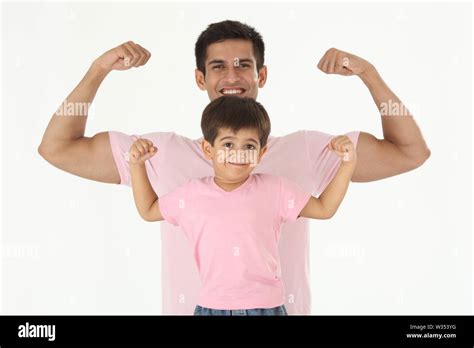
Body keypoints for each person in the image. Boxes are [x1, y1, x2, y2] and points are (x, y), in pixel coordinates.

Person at [38, 20, 430, 314]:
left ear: (261, 75)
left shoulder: (307, 149)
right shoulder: (158, 151)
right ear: (199, 77)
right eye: (218, 67)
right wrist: (98, 68)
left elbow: (410, 152)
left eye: (243, 65)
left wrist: (368, 74)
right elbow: (57, 148)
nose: (231, 76)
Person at [128, 96, 356, 315]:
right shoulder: (190, 195)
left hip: (267, 308)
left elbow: (324, 208)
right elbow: (148, 210)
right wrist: (137, 166)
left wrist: (347, 164)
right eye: (228, 144)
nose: (238, 153)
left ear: (262, 152)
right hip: (211, 308)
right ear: (209, 150)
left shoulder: (276, 189)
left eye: (249, 146)